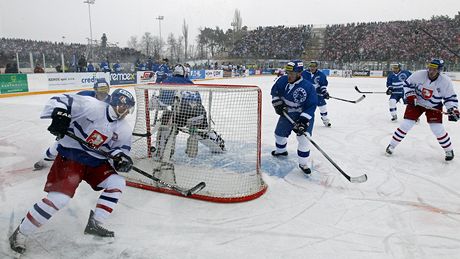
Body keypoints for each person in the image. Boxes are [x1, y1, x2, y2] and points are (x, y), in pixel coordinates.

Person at [9, 88, 135, 254]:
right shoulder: (91, 105)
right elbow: (59, 100)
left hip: (94, 162)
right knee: (59, 199)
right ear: (115, 103)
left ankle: (95, 223)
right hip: (70, 156)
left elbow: (120, 150)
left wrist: (121, 159)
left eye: (128, 109)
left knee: (117, 182)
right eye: (124, 107)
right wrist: (60, 114)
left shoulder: (124, 128)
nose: (125, 112)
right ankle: (21, 232)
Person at [385, 59, 459, 161]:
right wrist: (410, 95)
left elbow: (449, 97)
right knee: (405, 125)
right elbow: (407, 84)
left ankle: (448, 150)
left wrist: (452, 108)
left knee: (437, 129)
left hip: (434, 105)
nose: (431, 71)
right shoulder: (419, 75)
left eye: (434, 69)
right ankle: (391, 146)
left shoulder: (445, 82)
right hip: (416, 103)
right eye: (430, 68)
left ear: (439, 70)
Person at [33, 78, 111, 170]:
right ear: (95, 89)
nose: (103, 94)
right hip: (76, 122)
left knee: (94, 146)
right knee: (61, 142)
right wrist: (63, 120)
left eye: (105, 91)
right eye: (101, 91)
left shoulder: (110, 101)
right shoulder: (84, 95)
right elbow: (69, 106)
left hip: (92, 126)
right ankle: (46, 159)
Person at [153, 64, 225, 161]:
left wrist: (156, 100)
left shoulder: (169, 81)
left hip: (181, 116)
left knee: (166, 120)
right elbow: (199, 102)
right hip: (199, 116)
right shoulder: (190, 83)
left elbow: (163, 102)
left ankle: (162, 152)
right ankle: (218, 144)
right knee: (202, 132)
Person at [271, 60, 318, 175]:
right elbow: (275, 92)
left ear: (299, 73)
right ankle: (281, 151)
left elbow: (311, 106)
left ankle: (303, 163)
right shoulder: (282, 80)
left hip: (304, 114)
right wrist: (277, 104)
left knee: (303, 138)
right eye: (288, 72)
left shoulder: (308, 87)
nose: (289, 76)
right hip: (288, 112)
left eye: (292, 74)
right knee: (278, 134)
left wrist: (303, 121)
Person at [301, 61, 331, 127]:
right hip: (307, 96)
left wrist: (324, 92)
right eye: (311, 66)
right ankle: (304, 120)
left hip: (318, 95)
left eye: (314, 67)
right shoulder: (304, 74)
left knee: (323, 107)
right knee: (307, 108)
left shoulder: (321, 75)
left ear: (316, 67)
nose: (312, 68)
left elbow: (323, 85)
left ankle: (325, 120)